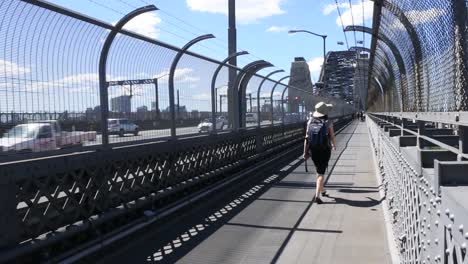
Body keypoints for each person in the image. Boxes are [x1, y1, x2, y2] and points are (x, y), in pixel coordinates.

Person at [303, 102, 337, 204]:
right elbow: (332, 136)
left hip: (313, 150)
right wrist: (334, 145)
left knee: (319, 170)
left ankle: (322, 190)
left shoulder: (310, 122)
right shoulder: (328, 122)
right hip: (325, 150)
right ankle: (317, 196)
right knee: (321, 173)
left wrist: (305, 152)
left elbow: (307, 139)